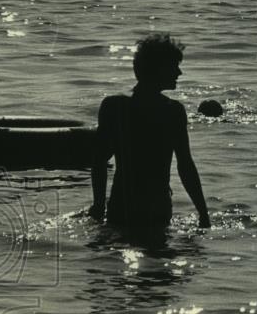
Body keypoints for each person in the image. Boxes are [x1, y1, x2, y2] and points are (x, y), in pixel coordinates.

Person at [89, 33, 211, 235]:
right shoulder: (173, 112)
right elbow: (185, 166)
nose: (179, 72)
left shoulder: (114, 108)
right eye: (174, 66)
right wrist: (203, 215)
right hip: (157, 210)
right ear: (159, 70)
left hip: (121, 208)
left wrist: (98, 206)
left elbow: (99, 160)